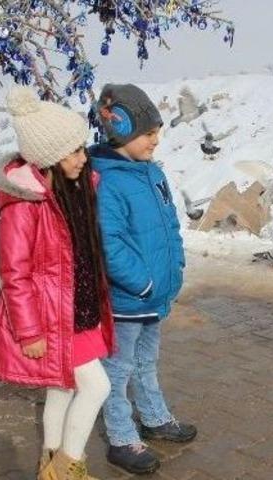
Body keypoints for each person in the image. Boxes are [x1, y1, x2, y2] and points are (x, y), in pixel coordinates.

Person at [0, 86, 115, 480]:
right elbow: (14, 274)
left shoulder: (73, 191)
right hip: (52, 319)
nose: (82, 158)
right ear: (49, 159)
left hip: (77, 311)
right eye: (73, 152)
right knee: (97, 388)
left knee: (62, 389)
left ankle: (50, 467)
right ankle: (67, 468)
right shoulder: (24, 206)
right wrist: (29, 332)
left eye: (82, 148)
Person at [89, 84, 194, 475]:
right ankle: (121, 437)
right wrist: (142, 283)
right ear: (123, 130)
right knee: (117, 371)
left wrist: (176, 267)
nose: (156, 139)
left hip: (153, 296)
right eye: (148, 133)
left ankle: (154, 419)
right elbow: (108, 242)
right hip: (128, 299)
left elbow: (170, 226)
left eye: (157, 132)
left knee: (147, 363)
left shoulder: (150, 173)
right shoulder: (109, 181)